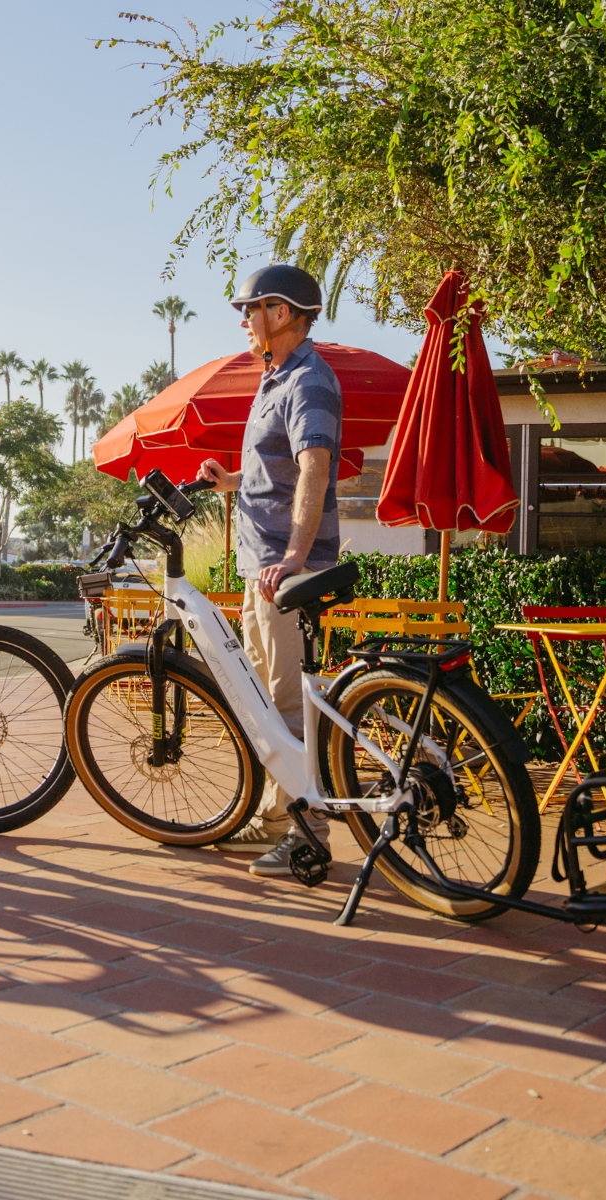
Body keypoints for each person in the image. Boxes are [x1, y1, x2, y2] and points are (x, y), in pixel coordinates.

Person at [196, 264, 342, 878]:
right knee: (266, 702)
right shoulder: (274, 378)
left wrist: (295, 557)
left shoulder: (308, 379)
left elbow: (315, 467)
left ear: (281, 313)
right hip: (264, 568)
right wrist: (232, 481)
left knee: (284, 706)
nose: (244, 320)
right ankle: (278, 817)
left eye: (251, 309)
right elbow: (277, 470)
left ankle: (311, 837)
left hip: (285, 571)